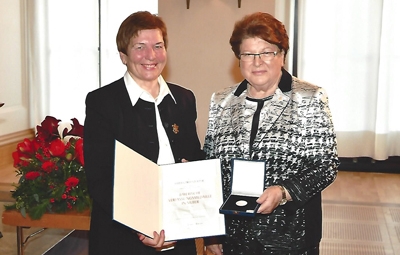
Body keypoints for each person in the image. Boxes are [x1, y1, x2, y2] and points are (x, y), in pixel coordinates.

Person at [203, 12, 340, 255]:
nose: (257, 62)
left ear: (282, 55)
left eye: (266, 52)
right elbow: (210, 166)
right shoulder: (222, 101)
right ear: (239, 59)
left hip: (290, 235)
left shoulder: (310, 97)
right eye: (248, 54)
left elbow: (325, 165)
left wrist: (283, 191)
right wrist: (212, 233)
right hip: (234, 236)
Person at [83, 11, 204, 255]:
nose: (151, 56)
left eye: (158, 46)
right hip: (122, 239)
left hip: (179, 235)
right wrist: (141, 226)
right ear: (123, 56)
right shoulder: (102, 102)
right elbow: (100, 179)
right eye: (140, 47)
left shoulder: (184, 99)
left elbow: (193, 157)